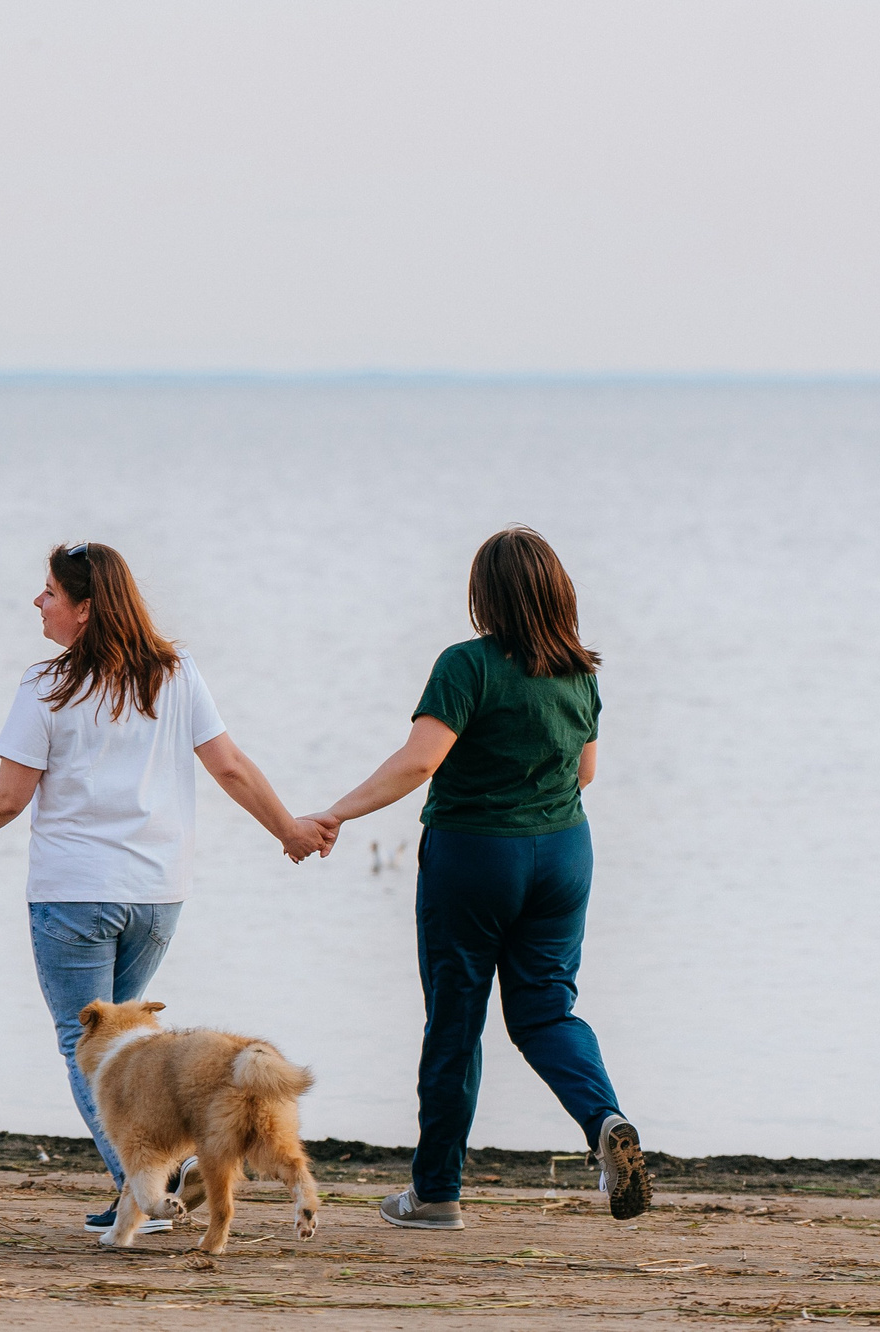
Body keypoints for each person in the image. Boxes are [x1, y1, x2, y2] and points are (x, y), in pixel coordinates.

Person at [0, 540, 329, 1234]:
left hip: (74, 894)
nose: (37, 602)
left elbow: (8, 797)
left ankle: (142, 1189)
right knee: (132, 1048)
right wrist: (286, 828)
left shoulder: (45, 685)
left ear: (83, 609)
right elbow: (228, 766)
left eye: (49, 592)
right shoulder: (176, 672)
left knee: (87, 1051)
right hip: (157, 896)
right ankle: (149, 1182)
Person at [306, 525, 649, 1230]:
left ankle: (435, 1195)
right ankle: (604, 1118)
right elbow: (585, 773)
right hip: (562, 856)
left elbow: (417, 762)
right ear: (558, 592)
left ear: (483, 595)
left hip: (474, 858)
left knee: (456, 1022)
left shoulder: (466, 666)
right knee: (546, 1012)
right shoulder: (580, 671)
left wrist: (336, 812)